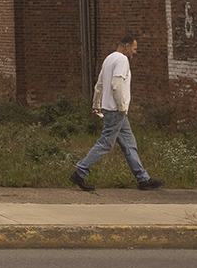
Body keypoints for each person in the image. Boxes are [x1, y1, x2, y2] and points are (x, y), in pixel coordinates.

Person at [70, 31, 164, 191]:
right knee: (105, 143)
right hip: (116, 111)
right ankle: (80, 172)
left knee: (129, 144)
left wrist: (96, 103)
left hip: (110, 109)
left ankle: (143, 179)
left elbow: (99, 84)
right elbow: (116, 84)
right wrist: (121, 107)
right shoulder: (122, 60)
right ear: (126, 46)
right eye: (134, 48)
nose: (135, 52)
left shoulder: (109, 58)